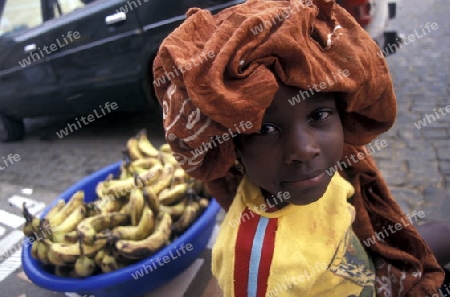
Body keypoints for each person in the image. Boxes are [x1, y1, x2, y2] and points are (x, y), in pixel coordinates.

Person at [152, 0, 449, 295]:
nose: (304, 149)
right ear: (232, 148)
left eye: (319, 115)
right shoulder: (255, 268)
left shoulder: (338, 171)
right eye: (266, 129)